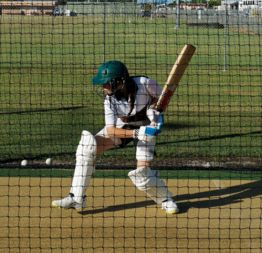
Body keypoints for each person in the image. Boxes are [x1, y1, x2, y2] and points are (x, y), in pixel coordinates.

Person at [52, 60, 179, 214]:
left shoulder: (145, 83)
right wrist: (137, 133)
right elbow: (111, 130)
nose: (103, 87)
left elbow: (163, 98)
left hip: (147, 125)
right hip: (124, 127)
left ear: (120, 82)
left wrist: (153, 109)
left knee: (142, 176)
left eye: (107, 83)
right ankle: (76, 199)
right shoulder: (109, 100)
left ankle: (166, 199)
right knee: (87, 147)